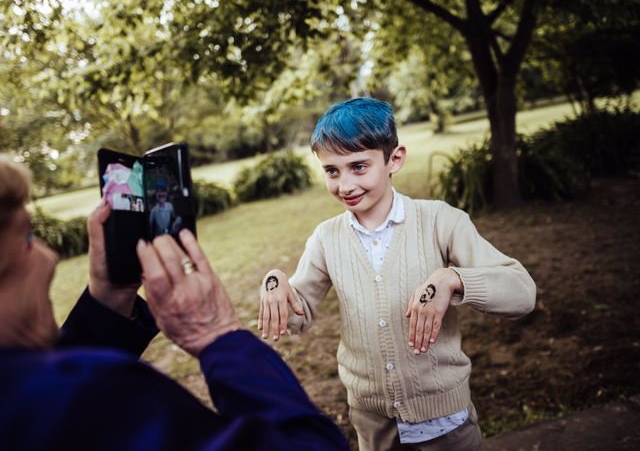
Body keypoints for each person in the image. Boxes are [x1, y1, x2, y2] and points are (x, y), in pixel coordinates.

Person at [0, 156, 348, 450]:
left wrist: (106, 303)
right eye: (28, 237)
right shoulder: (84, 394)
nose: (49, 258)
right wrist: (218, 334)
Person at [258, 98, 537, 451]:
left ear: (395, 159)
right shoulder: (326, 239)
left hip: (448, 425)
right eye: (332, 171)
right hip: (374, 430)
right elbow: (299, 315)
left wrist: (453, 279)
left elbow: (523, 293)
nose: (345, 185)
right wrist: (276, 282)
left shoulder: (441, 221)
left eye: (358, 167)